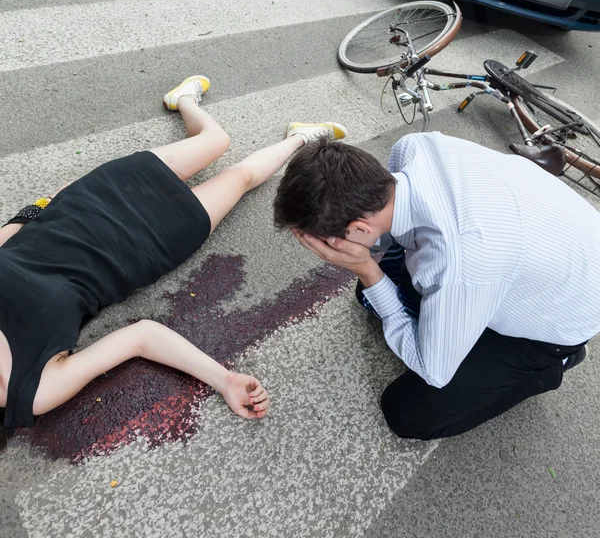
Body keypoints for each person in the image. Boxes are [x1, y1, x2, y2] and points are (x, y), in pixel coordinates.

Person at [0, 74, 348, 434]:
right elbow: (141, 337)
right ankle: (301, 138)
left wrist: (54, 198)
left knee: (217, 141)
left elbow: (14, 231)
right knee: (240, 177)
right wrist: (224, 379)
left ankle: (184, 100)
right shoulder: (33, 389)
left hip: (89, 199)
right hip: (143, 245)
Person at [273, 131, 600, 440]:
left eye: (326, 243)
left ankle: (552, 366)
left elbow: (435, 370)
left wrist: (366, 269)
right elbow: (397, 239)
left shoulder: (458, 260)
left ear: (357, 227)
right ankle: (470, 323)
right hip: (552, 247)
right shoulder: (414, 148)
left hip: (564, 314)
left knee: (407, 412)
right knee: (372, 298)